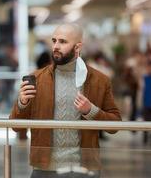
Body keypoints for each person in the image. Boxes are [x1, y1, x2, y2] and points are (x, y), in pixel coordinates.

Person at [10, 23, 121, 177]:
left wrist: (91, 111)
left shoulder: (99, 81)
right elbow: (15, 127)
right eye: (54, 40)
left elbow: (115, 125)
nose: (56, 46)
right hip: (44, 168)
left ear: (77, 47)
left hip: (83, 169)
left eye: (63, 42)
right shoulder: (37, 79)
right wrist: (22, 103)